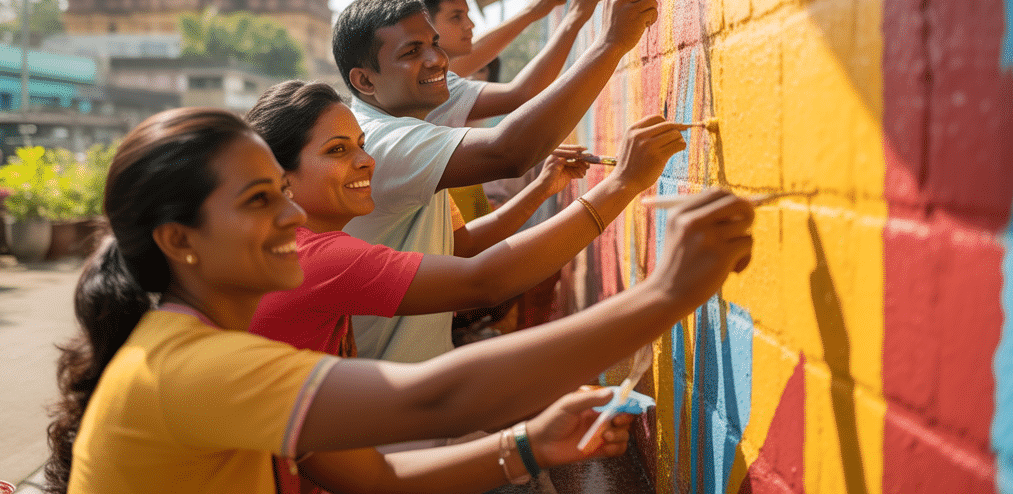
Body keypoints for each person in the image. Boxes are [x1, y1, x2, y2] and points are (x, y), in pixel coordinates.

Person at [46, 107, 755, 494]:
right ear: (180, 240)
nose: (292, 218)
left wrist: (528, 446)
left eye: (283, 195)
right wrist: (667, 292)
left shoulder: (213, 347)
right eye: (262, 201)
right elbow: (436, 398)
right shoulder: (188, 365)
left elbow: (370, 472)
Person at [244, 80, 687, 358]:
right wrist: (624, 183)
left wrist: (544, 188)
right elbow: (483, 280)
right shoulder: (318, 256)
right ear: (279, 174)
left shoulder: (291, 247)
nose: (366, 161)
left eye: (360, 145)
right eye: (337, 151)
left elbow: (462, 247)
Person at [332, 0, 661, 361]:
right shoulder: (380, 142)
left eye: (434, 44)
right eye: (411, 51)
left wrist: (540, 189)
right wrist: (611, 44)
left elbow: (464, 246)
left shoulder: (408, 118)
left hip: (414, 374)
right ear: (365, 81)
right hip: (385, 385)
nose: (438, 60)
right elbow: (511, 151)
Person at [403, 0, 606, 127]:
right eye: (456, 17)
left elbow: (477, 51)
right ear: (425, 25)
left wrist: (531, 13)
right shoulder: (433, 86)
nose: (470, 25)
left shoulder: (420, 76)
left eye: (467, 15)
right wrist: (575, 18)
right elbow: (521, 95)